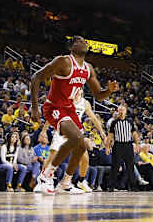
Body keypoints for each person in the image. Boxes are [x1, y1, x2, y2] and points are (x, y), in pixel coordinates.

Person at [30, 36, 118, 195]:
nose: (84, 41)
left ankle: (66, 182)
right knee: (76, 138)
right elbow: (36, 77)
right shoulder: (63, 61)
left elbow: (98, 95)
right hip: (54, 106)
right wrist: (34, 107)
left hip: (69, 108)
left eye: (85, 40)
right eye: (79, 40)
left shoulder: (88, 68)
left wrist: (109, 91)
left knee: (82, 145)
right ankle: (46, 175)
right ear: (72, 46)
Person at [106, 105, 140, 192]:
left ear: (125, 111)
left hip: (128, 145)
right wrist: (107, 147)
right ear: (117, 111)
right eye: (120, 110)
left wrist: (137, 144)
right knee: (115, 166)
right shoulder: (114, 122)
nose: (121, 112)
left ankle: (133, 186)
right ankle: (111, 186)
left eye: (123, 110)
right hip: (118, 145)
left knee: (130, 166)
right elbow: (110, 136)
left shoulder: (130, 121)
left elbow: (134, 134)